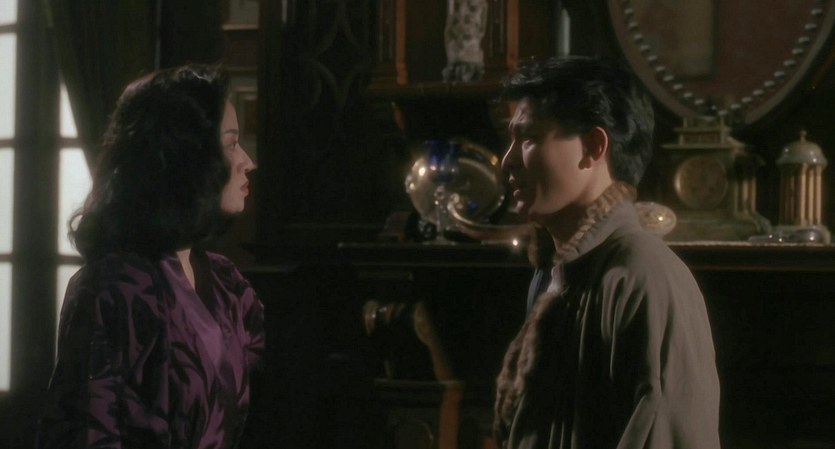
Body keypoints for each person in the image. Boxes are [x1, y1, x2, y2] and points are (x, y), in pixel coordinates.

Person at [493, 56, 721, 449]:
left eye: (529, 138)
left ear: (593, 147)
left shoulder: (642, 276)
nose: (508, 160)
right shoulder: (556, 274)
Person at [37, 64, 264, 449]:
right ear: (187, 158)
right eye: (230, 144)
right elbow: (88, 433)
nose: (247, 161)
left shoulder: (228, 284)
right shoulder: (110, 290)